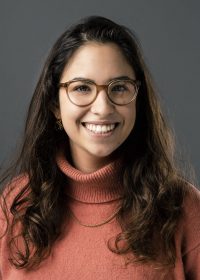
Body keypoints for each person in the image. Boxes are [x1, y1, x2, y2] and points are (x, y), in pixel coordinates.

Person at [0, 15, 200, 280]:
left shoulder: (183, 208)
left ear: (137, 102)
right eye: (82, 88)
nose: (103, 108)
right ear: (55, 106)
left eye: (119, 88)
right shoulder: (14, 206)